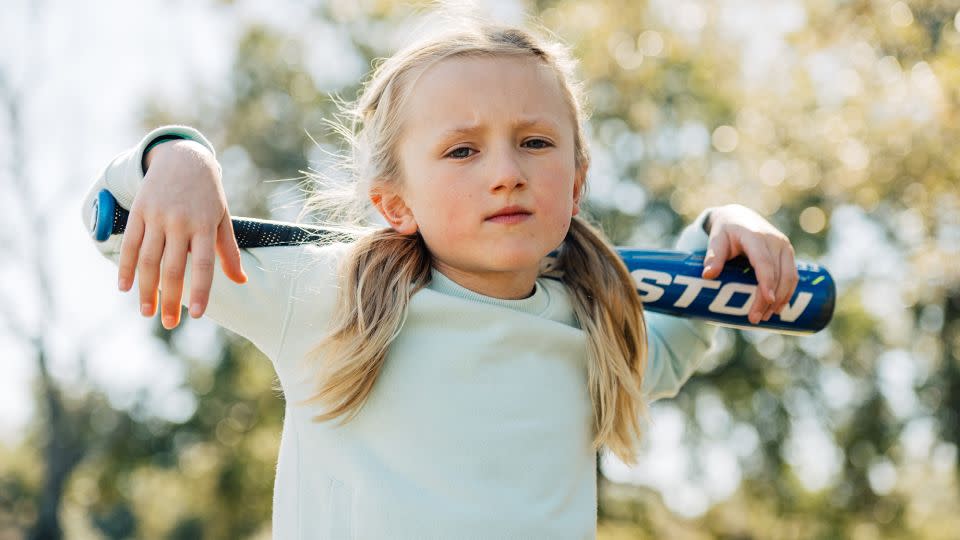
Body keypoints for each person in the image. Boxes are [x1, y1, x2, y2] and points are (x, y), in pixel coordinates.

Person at [80, 19, 798, 540]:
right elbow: (113, 227)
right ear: (394, 202)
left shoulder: (594, 329)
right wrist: (174, 157)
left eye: (536, 142)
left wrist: (719, 231)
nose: (506, 171)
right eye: (462, 150)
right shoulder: (329, 298)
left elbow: (685, 324)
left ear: (576, 184)